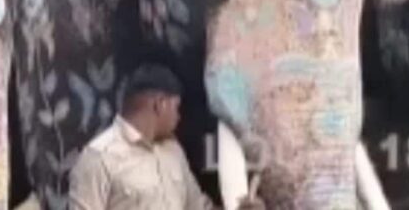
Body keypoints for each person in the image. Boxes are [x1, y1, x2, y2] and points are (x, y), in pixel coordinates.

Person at [69, 64, 263, 210]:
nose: (179, 117)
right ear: (159, 105)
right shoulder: (99, 158)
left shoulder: (173, 151)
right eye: (176, 108)